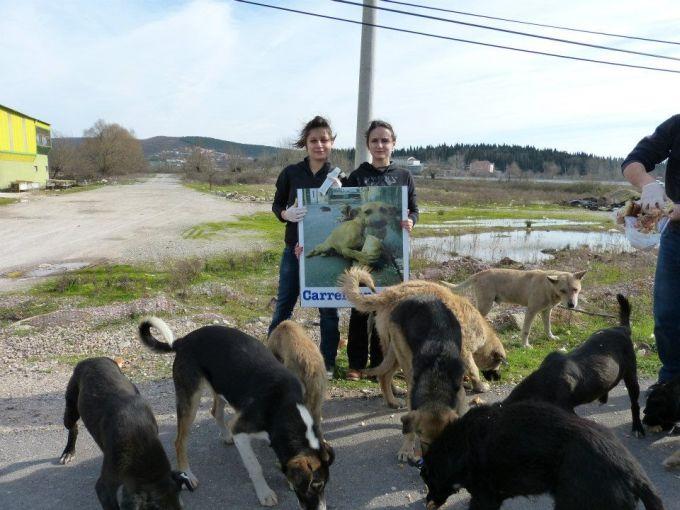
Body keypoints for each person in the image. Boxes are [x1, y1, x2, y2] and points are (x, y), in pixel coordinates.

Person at [343, 120, 419, 381]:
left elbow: (414, 210)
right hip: (365, 248)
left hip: (391, 251)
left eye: (385, 140)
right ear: (368, 145)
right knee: (359, 307)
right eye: (375, 141)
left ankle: (381, 364)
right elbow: (348, 210)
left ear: (393, 143)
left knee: (386, 310)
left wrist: (411, 221)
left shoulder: (404, 176)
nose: (380, 145)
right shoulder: (357, 176)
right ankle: (355, 363)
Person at [268, 115, 342, 379]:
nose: (319, 145)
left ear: (331, 142)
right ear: (305, 144)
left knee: (329, 311)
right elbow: (276, 206)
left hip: (324, 254)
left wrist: (342, 195)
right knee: (284, 307)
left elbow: (345, 216)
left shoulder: (337, 177)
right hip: (293, 252)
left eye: (324, 139)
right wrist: (285, 214)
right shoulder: (290, 173)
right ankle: (272, 361)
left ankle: (328, 365)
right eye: (314, 140)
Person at [622, 114, 680, 384]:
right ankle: (670, 382)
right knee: (667, 315)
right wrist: (648, 184)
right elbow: (634, 161)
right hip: (675, 236)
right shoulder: (677, 124)